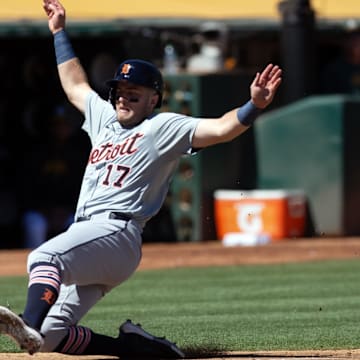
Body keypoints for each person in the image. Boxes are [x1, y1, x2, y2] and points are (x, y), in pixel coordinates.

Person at [0, 0, 282, 358]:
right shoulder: (104, 119)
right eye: (119, 88)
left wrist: (253, 105)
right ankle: (134, 347)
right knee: (50, 335)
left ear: (154, 99)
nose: (124, 93)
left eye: (135, 90)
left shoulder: (162, 127)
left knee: (44, 258)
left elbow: (223, 129)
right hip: (90, 239)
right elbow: (74, 85)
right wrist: (59, 32)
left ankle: (26, 323)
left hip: (117, 233)